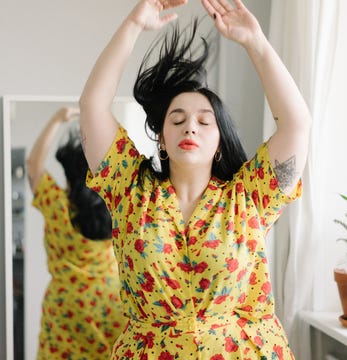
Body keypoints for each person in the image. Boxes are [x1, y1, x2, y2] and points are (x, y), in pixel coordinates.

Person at [79, 0, 311, 358]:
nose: (190, 126)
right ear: (162, 139)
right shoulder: (129, 191)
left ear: (219, 142)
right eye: (177, 119)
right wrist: (133, 24)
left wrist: (256, 42)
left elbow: (296, 125)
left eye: (205, 122)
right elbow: (93, 105)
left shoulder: (249, 198)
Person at [26, 107, 123, 360]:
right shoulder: (117, 205)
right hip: (110, 302)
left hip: (65, 305)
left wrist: (57, 118)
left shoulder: (56, 204)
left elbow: (33, 165)